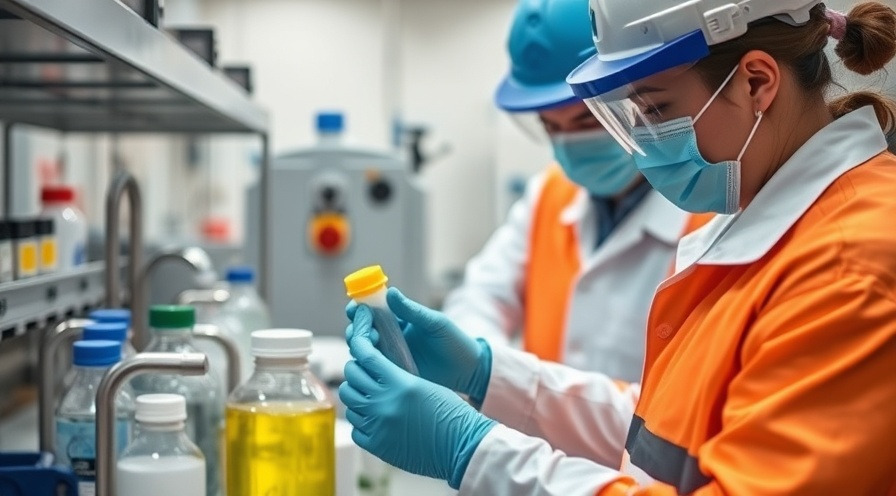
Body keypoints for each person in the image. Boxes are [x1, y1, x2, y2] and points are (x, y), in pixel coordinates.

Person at [340, 1, 896, 494]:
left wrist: (474, 452)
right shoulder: (769, 214)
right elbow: (667, 432)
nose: (642, 146)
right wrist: (489, 375)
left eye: (653, 110)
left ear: (755, 82)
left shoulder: (851, 267)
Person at [443, 0, 698, 381]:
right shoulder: (548, 193)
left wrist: (511, 386)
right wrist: (480, 368)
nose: (568, 144)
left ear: (641, 101)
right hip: (528, 440)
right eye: (550, 126)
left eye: (586, 119)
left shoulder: (710, 211)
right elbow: (478, 299)